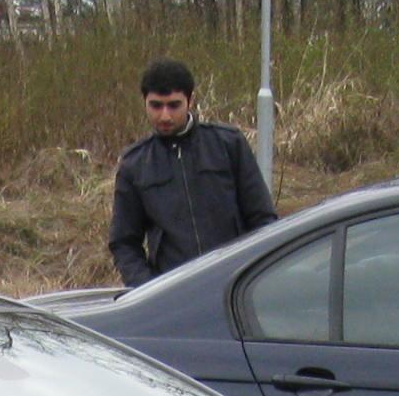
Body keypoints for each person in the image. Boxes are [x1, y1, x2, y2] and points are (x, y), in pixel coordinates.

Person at [107, 57, 278, 288]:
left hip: (235, 286)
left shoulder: (228, 144)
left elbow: (263, 219)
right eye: (156, 106)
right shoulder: (135, 164)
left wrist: (257, 278)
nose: (165, 116)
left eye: (173, 105)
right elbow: (124, 242)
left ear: (190, 101)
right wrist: (148, 289)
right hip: (174, 294)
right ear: (144, 102)